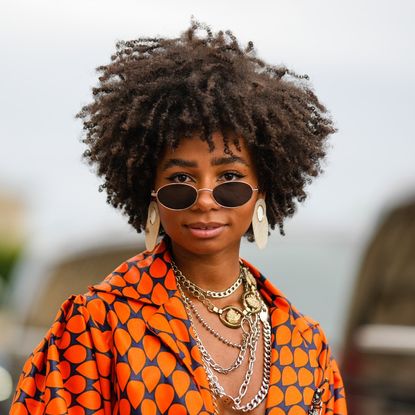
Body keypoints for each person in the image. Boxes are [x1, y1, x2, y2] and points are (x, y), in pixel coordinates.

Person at [10, 20, 347, 415]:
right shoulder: (97, 325)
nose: (205, 200)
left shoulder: (305, 344)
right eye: (180, 180)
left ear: (263, 190)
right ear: (150, 193)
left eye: (230, 178)